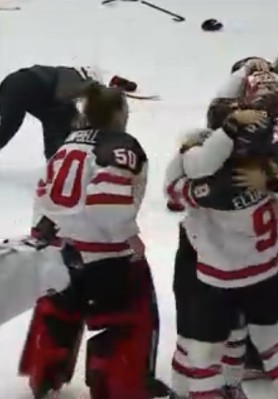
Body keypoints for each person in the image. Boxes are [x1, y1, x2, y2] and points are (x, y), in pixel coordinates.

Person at [23, 83, 158, 398]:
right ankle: (113, 382)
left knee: (58, 313)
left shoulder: (67, 144)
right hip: (106, 252)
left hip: (62, 250)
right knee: (130, 316)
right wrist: (129, 236)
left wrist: (40, 239)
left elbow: (43, 193)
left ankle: (44, 372)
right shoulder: (123, 146)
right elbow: (107, 199)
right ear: (118, 113)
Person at [166, 110, 278, 399]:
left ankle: (193, 392)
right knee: (270, 342)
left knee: (204, 352)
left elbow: (174, 194)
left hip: (219, 278)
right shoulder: (274, 172)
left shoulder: (219, 181)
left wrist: (187, 154)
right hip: (265, 271)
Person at [0, 65, 103, 159]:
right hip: (22, 87)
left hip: (21, 86)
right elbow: (61, 94)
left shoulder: (63, 75)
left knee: (55, 123)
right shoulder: (74, 77)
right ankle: (56, 160)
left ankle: (54, 160)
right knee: (8, 126)